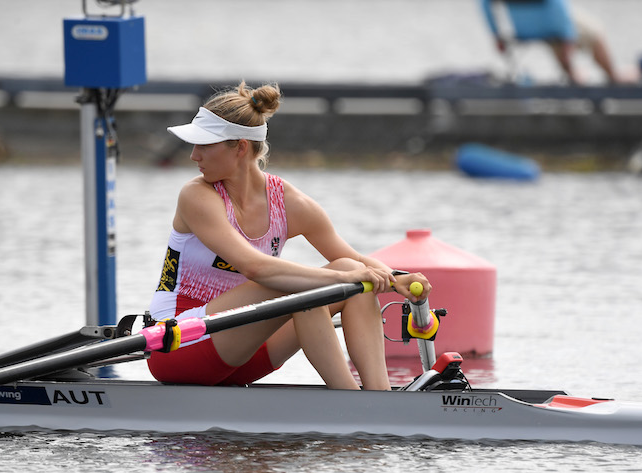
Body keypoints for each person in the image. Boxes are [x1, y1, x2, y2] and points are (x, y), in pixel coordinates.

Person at [146, 81, 431, 390]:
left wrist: (396, 279)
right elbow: (256, 268)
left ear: (240, 147)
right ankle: (350, 399)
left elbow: (356, 261)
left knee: (348, 269)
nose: (193, 156)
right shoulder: (197, 196)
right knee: (307, 284)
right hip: (177, 344)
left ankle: (379, 398)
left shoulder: (291, 203)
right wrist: (348, 277)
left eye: (204, 145)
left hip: (245, 355)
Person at [481, 0, 621, 84]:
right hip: (552, 26)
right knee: (595, 30)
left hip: (518, 29)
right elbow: (557, 7)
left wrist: (496, 34)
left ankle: (572, 74)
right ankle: (613, 76)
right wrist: (567, 35)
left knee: (557, 31)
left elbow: (484, 3)